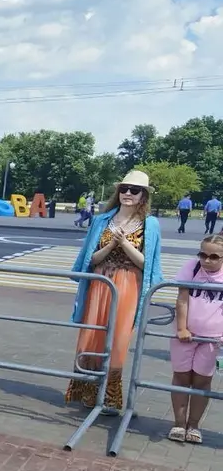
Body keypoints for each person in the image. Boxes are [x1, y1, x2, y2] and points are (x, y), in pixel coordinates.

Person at [65, 170, 163, 413]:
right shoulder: (102, 220)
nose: (128, 193)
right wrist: (111, 244)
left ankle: (109, 398)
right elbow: (91, 260)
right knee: (92, 335)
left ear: (144, 196)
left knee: (118, 340)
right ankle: (88, 393)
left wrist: (125, 244)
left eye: (134, 190)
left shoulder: (150, 225)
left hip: (129, 286)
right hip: (100, 283)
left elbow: (147, 265)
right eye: (124, 189)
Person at [168, 234, 223, 444]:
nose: (207, 260)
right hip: (185, 335)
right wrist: (181, 327)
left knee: (202, 381)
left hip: (212, 338)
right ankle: (179, 423)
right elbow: (182, 299)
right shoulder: (191, 268)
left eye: (214, 257)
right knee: (181, 377)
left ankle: (194, 424)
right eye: (203, 254)